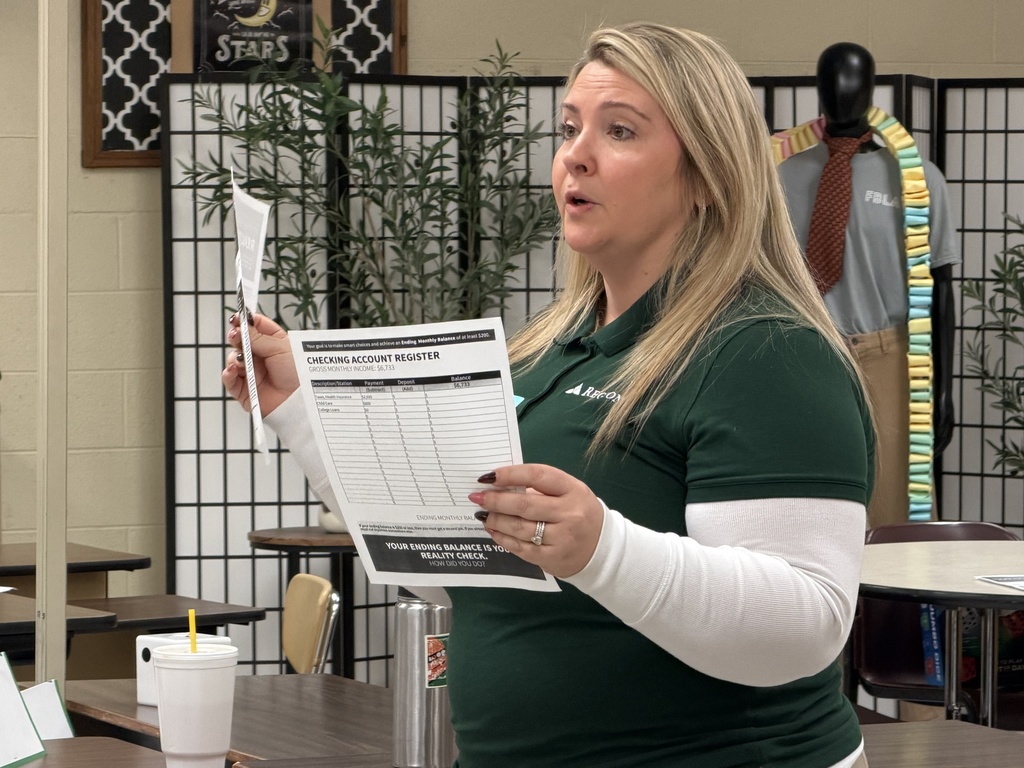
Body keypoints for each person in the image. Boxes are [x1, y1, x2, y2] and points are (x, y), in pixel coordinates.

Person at [224, 23, 874, 768]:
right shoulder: (543, 354)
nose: (576, 154)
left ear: (708, 174)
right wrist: (301, 411)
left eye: (620, 130)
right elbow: (464, 574)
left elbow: (804, 629)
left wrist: (601, 547)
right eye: (569, 129)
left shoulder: (766, 349)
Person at [777, 43, 960, 528]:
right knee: (804, 501)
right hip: (804, 354)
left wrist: (943, 390)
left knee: (894, 513)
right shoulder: (777, 176)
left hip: (888, 360)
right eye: (830, 82)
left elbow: (941, 289)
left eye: (853, 81)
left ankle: (894, 607)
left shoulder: (916, 180)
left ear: (872, 89)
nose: (841, 93)